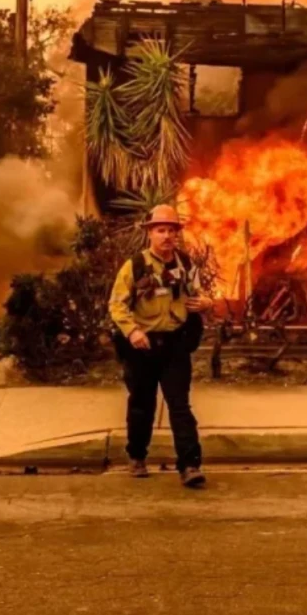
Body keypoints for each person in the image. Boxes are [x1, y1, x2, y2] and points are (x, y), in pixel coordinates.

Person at [108, 205, 215, 488]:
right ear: (150, 234)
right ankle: (137, 457)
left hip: (174, 346)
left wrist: (206, 303)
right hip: (142, 347)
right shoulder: (135, 265)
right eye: (161, 230)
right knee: (142, 405)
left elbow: (198, 294)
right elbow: (116, 305)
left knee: (180, 406)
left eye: (171, 230)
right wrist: (132, 332)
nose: (167, 236)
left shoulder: (185, 265)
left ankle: (190, 465)